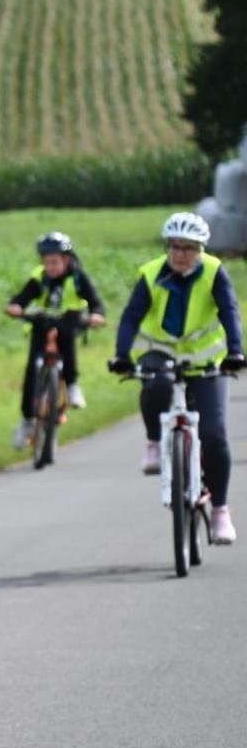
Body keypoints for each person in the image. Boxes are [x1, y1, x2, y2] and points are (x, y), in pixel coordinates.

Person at [107, 211, 245, 544]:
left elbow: (229, 311)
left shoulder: (214, 273)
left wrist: (236, 352)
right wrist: (123, 355)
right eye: (176, 247)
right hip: (161, 353)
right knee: (157, 385)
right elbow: (130, 316)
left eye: (190, 248)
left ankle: (220, 512)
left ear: (201, 249)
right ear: (168, 247)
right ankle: (154, 441)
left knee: (214, 435)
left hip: (206, 360)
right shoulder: (152, 274)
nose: (182, 254)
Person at [4, 231, 107, 449]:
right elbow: (23, 297)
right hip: (43, 323)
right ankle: (27, 420)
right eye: (46, 262)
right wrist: (16, 306)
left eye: (54, 262)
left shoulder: (78, 278)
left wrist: (96, 314)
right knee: (32, 372)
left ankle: (71, 385)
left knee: (67, 338)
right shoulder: (39, 277)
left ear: (66, 259)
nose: (50, 267)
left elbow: (95, 301)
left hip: (70, 323)